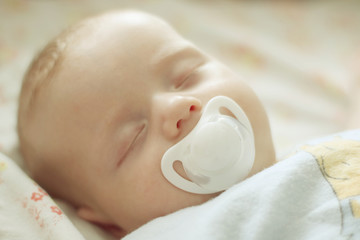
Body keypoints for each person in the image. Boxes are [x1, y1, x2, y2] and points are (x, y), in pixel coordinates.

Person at [17, 10, 276, 237]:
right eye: (135, 138)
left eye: (187, 76)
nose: (176, 107)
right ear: (108, 223)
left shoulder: (313, 150)